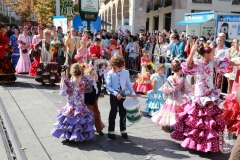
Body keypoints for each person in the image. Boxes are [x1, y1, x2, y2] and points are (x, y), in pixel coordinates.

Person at [170, 40, 240, 152]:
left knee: (209, 120)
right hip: (201, 94)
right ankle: (195, 143)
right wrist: (192, 51)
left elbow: (228, 63)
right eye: (213, 52)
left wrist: (238, 63)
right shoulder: (198, 63)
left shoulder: (212, 62)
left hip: (210, 93)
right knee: (199, 119)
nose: (215, 54)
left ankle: (207, 144)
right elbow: (188, 65)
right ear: (207, 54)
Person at [51, 63, 95, 141]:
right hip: (81, 106)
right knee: (80, 122)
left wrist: (63, 78)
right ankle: (79, 135)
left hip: (71, 105)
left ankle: (70, 135)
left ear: (72, 72)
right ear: (81, 72)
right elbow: (91, 80)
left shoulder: (69, 82)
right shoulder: (84, 81)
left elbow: (62, 89)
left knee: (70, 121)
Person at [151, 59, 193, 129]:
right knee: (177, 113)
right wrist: (193, 88)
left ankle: (170, 125)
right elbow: (188, 89)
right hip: (178, 99)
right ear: (180, 69)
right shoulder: (183, 79)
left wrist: (164, 95)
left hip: (170, 99)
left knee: (169, 112)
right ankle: (175, 126)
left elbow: (165, 87)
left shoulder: (170, 78)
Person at [106, 56, 137, 139]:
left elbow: (128, 84)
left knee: (123, 113)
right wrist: (116, 94)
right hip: (114, 95)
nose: (113, 69)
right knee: (113, 112)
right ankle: (111, 131)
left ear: (120, 67)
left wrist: (133, 92)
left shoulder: (126, 72)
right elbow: (108, 86)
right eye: (112, 67)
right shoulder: (110, 73)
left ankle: (123, 130)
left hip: (123, 95)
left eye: (115, 68)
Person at [84, 67, 105, 136]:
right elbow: (88, 94)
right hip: (88, 103)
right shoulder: (87, 85)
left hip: (94, 102)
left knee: (97, 115)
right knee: (88, 117)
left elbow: (97, 91)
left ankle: (99, 129)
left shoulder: (97, 83)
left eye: (96, 73)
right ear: (88, 76)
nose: (96, 75)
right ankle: (86, 130)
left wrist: (100, 93)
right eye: (93, 74)